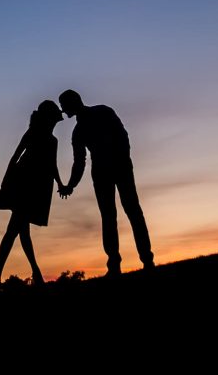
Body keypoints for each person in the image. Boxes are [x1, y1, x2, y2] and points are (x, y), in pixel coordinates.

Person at [57, 89, 154, 276]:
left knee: (132, 211)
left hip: (119, 167)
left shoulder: (102, 112)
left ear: (73, 102)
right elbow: (79, 162)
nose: (63, 110)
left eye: (64, 105)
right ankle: (115, 265)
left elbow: (122, 137)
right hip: (102, 173)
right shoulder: (78, 132)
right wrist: (71, 185)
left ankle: (147, 259)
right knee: (110, 217)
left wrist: (122, 160)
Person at [0, 100, 66, 287]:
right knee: (16, 228)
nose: (56, 122)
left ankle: (2, 273)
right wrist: (6, 180)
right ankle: (12, 273)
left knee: (20, 230)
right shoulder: (33, 133)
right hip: (23, 183)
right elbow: (15, 156)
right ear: (49, 119)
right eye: (54, 119)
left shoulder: (53, 141)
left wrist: (61, 184)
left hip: (37, 186)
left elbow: (52, 165)